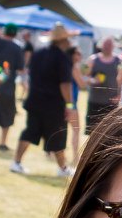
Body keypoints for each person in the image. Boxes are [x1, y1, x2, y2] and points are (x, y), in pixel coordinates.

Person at [12, 24, 76, 177]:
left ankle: (16, 163)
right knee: (58, 135)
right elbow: (65, 84)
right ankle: (63, 169)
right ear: (63, 41)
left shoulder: (39, 53)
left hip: (35, 101)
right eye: (68, 39)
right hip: (53, 105)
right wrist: (69, 104)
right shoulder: (62, 58)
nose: (70, 42)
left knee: (29, 132)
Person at [0, 24, 25, 150]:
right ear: (15, 34)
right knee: (7, 116)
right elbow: (21, 68)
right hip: (8, 87)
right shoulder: (17, 47)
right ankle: (2, 143)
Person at [86, 37, 122, 134]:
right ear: (101, 45)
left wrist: (120, 95)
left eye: (109, 45)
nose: (107, 47)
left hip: (111, 102)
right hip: (95, 101)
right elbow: (84, 76)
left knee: (109, 133)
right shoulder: (92, 59)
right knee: (92, 132)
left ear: (113, 46)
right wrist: (93, 80)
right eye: (105, 45)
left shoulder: (119, 60)